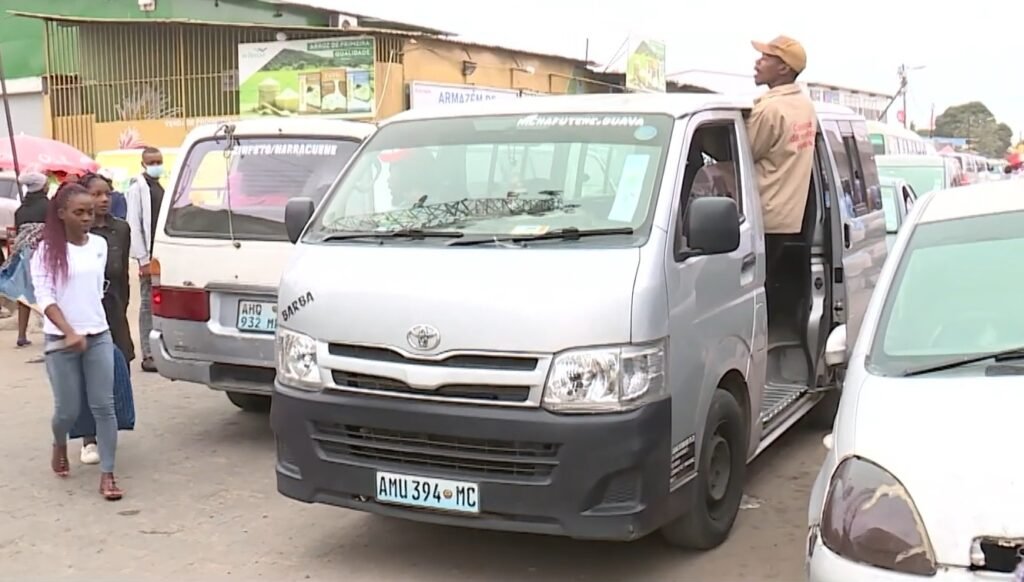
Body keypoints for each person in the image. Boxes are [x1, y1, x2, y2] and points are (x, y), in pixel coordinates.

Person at [31, 183, 123, 500]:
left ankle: (108, 474)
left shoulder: (98, 245)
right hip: (61, 342)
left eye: (89, 212)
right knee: (67, 411)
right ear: (61, 214)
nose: (87, 217)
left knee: (104, 406)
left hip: (98, 336)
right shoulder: (46, 250)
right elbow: (44, 298)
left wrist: (97, 328)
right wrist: (69, 331)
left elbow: (97, 292)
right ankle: (59, 443)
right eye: (79, 212)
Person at [748, 36, 818, 331]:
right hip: (790, 216)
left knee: (753, 302)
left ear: (783, 69)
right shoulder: (804, 106)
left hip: (762, 216)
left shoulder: (769, 110)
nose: (757, 62)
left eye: (765, 58)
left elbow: (746, 153)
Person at [72, 172, 135, 466]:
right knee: (88, 373)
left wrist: (122, 309)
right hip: (85, 311)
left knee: (120, 368)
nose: (103, 199)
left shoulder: (121, 230)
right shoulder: (75, 234)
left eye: (107, 193)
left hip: (113, 308)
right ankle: (89, 438)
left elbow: (123, 276)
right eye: (96, 194)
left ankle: (111, 427)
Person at [126, 146, 164, 373]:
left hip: (160, 255)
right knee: (148, 304)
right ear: (143, 164)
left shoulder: (157, 186)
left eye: (158, 161)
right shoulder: (137, 188)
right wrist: (142, 259)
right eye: (151, 161)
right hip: (148, 257)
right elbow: (134, 224)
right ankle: (148, 353)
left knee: (157, 302)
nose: (156, 165)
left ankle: (158, 350)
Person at [8, 172, 49, 347]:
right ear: (42, 187)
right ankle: (51, 330)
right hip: (44, 253)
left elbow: (19, 234)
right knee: (48, 292)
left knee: (23, 295)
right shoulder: (50, 207)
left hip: (23, 255)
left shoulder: (20, 211)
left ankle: (22, 334)